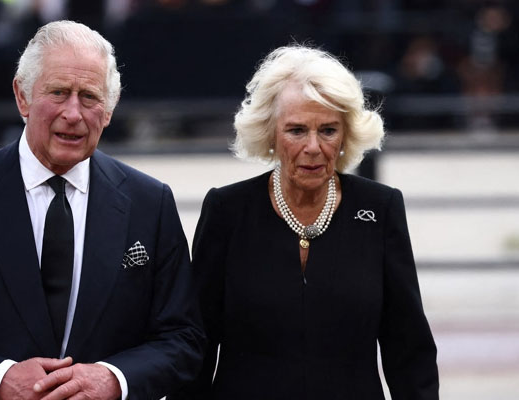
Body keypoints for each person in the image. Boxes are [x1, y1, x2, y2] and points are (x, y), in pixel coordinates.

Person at [0, 20, 204, 400]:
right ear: (22, 97)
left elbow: (183, 337)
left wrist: (114, 379)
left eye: (89, 96)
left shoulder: (150, 202)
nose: (73, 112)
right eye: (58, 92)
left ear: (109, 110)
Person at [172, 45, 439, 399]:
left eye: (327, 130)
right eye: (296, 130)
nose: (313, 146)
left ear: (345, 136)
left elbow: (409, 348)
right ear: (270, 132)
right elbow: (197, 344)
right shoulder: (227, 211)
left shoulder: (380, 209)